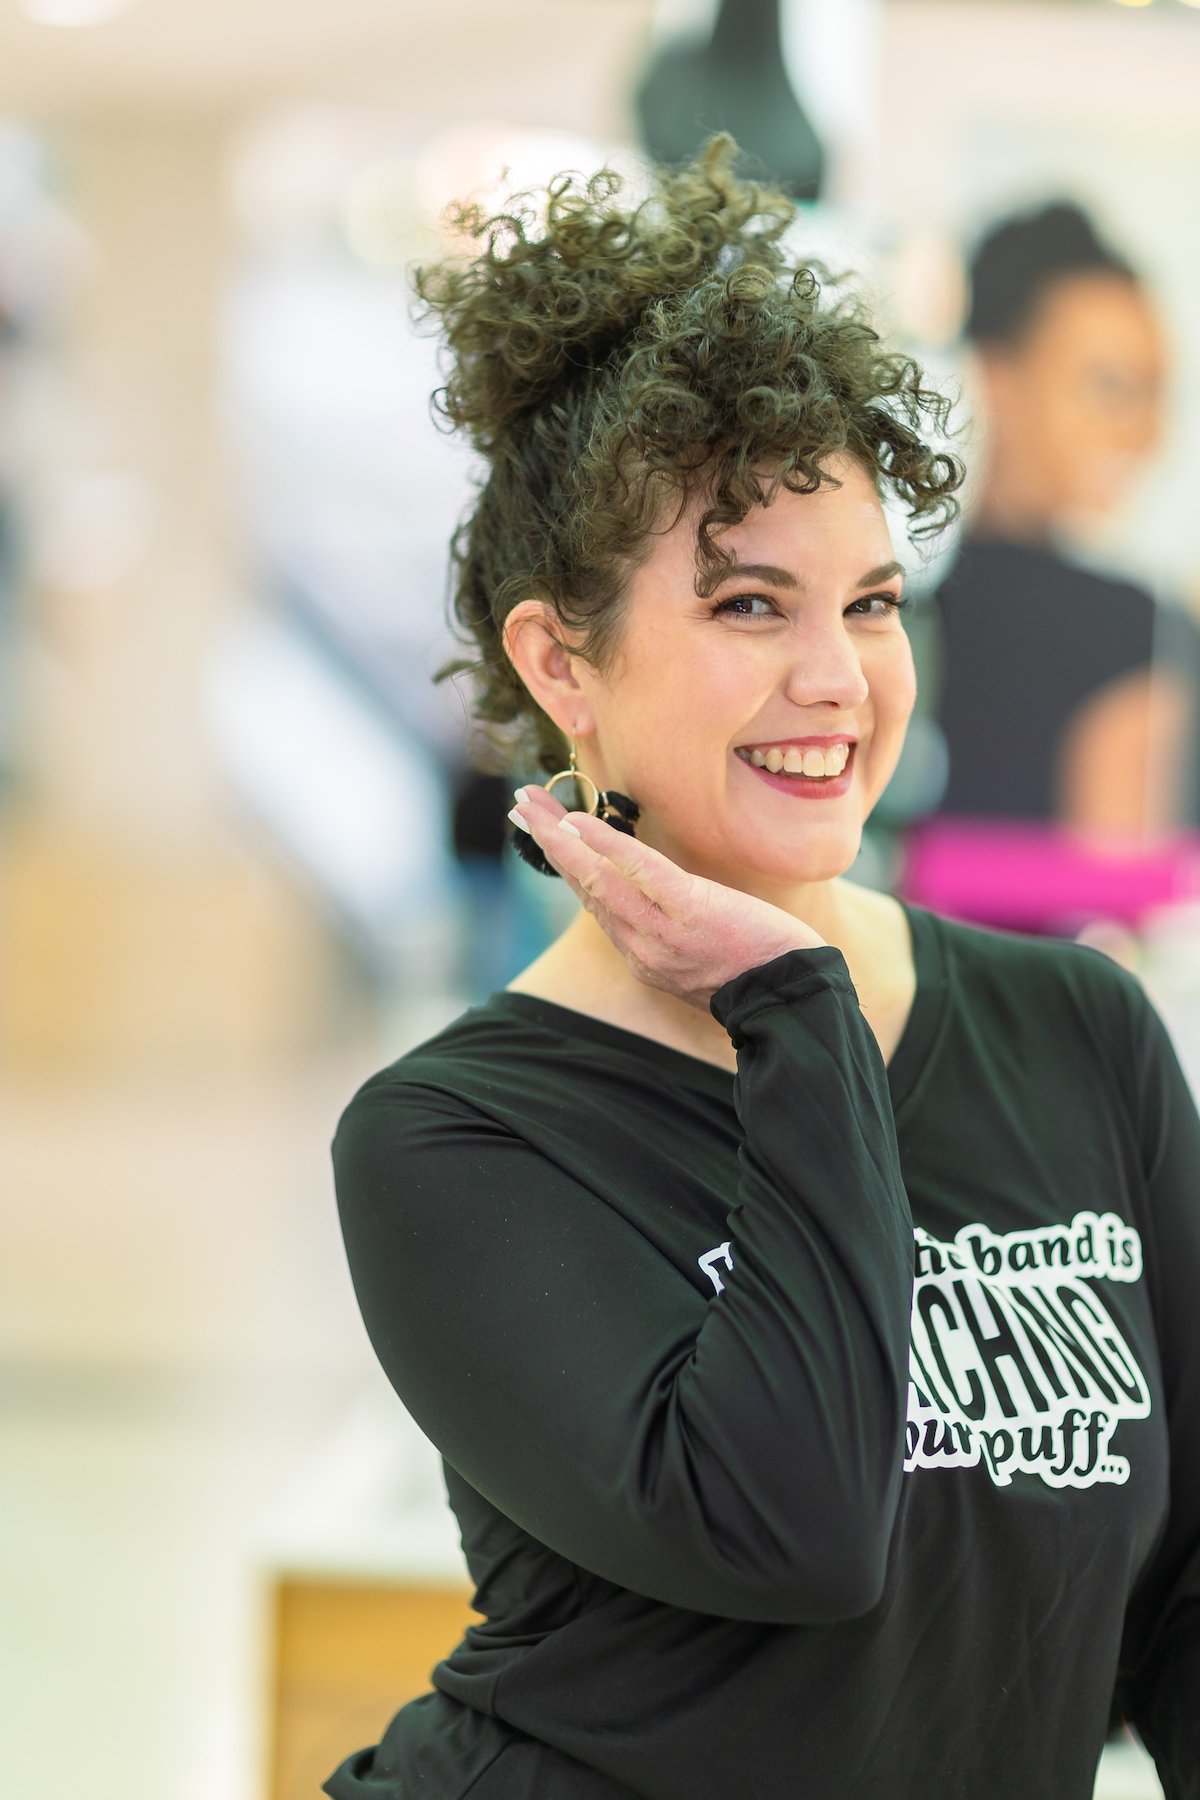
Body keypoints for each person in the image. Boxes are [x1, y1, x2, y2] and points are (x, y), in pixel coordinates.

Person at [325, 141, 1200, 1799]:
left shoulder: (1076, 1031)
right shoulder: (455, 1138)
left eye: (870, 602)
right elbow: (788, 1528)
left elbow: (1182, 1588)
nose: (839, 679)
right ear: (560, 663)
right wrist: (794, 1005)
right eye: (748, 605)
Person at [931, 200, 1197, 840]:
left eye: (1157, 396)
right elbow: (1115, 885)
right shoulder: (1135, 627)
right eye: (1112, 387)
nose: (1149, 433)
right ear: (996, 378)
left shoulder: (893, 598)